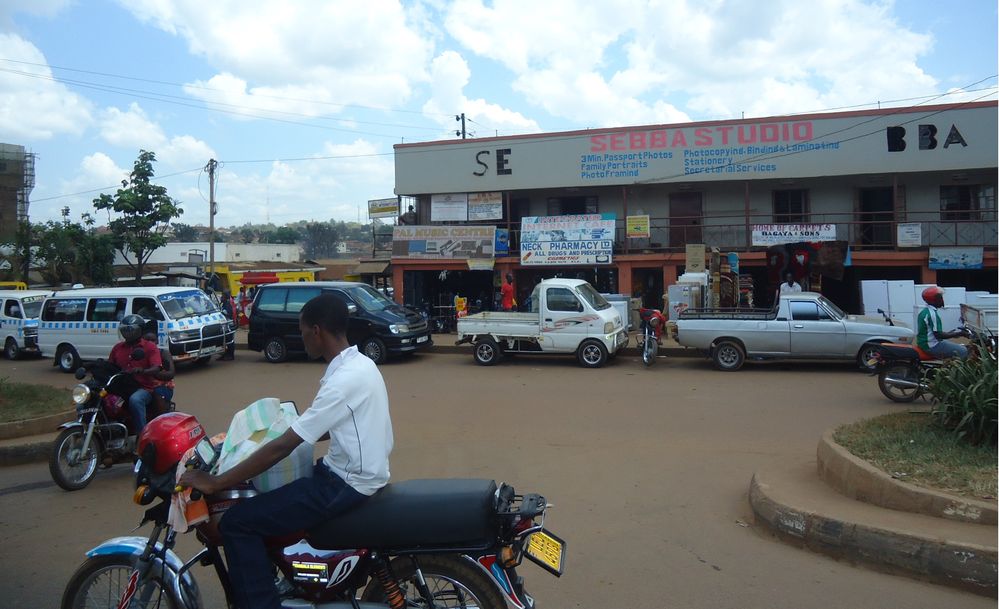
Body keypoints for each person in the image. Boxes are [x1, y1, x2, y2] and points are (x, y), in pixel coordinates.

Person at [180, 294, 394, 609]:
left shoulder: (342, 381)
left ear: (317, 331)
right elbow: (325, 427)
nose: (302, 336)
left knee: (238, 522)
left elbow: (284, 445)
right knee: (267, 501)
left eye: (303, 329)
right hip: (352, 474)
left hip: (345, 485)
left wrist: (216, 482)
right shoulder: (360, 364)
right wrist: (253, 441)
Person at [108, 315, 162, 434]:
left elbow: (156, 368)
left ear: (140, 330)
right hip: (121, 387)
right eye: (125, 330)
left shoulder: (150, 347)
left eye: (130, 330)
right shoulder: (117, 348)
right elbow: (110, 366)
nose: (127, 333)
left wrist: (142, 371)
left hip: (143, 388)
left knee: (135, 400)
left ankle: (142, 435)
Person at [917, 286, 969, 360]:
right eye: (940, 298)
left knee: (958, 346)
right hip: (932, 345)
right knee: (963, 351)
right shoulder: (932, 314)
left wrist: (950, 334)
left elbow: (931, 332)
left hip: (924, 343)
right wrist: (960, 333)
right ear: (934, 300)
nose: (942, 300)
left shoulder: (925, 311)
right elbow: (939, 335)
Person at [143, 327, 175, 415]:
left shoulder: (163, 353)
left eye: (153, 340)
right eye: (147, 340)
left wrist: (151, 371)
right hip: (143, 387)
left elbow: (171, 374)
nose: (150, 343)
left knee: (157, 396)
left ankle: (164, 417)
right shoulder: (139, 354)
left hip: (161, 387)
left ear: (157, 341)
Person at [218, 290, 236, 361]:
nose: (221, 297)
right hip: (225, 325)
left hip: (229, 325)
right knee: (226, 340)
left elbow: (229, 314)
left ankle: (231, 355)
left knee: (230, 340)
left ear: (225, 297)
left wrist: (222, 312)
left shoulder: (228, 304)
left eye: (223, 296)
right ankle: (226, 354)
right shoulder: (224, 303)